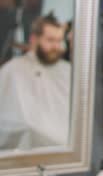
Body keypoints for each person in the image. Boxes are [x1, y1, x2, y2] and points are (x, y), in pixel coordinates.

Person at [0, 13, 71, 149]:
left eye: (59, 41)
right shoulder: (13, 69)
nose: (56, 47)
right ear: (34, 39)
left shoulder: (68, 71)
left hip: (64, 150)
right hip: (25, 153)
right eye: (50, 40)